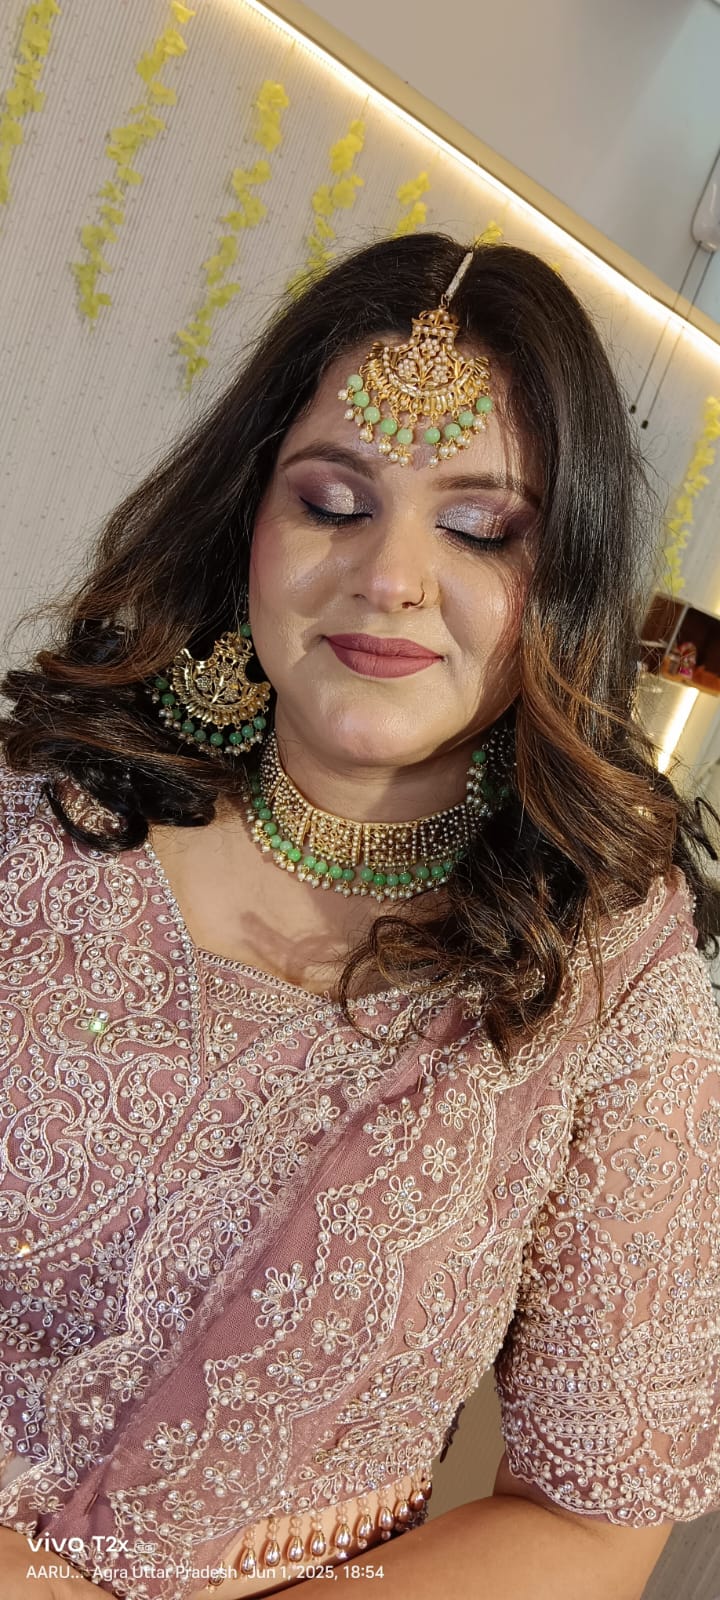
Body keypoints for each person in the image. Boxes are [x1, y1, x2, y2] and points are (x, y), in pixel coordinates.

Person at [0, 231, 719, 1600]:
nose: (389, 576)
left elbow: (597, 1511)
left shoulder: (604, 976)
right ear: (248, 526)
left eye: (480, 529)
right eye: (333, 502)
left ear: (564, 582)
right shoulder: (36, 826)